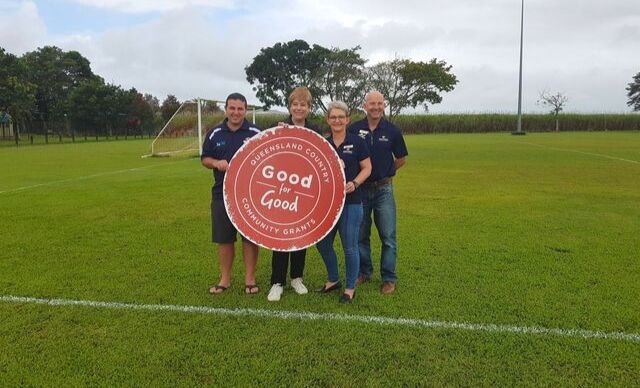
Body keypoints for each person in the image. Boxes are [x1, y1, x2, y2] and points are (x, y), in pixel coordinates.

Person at [201, 93, 262, 295]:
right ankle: (225, 279)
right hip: (222, 194)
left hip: (250, 195)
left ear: (245, 110)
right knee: (224, 239)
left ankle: (250, 279)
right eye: (232, 108)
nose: (236, 112)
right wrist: (216, 163)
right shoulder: (214, 133)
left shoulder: (256, 132)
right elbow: (205, 159)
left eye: (240, 109)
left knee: (250, 237)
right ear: (226, 109)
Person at [348, 90, 408, 295]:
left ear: (384, 105)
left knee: (388, 237)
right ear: (365, 106)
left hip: (384, 190)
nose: (375, 107)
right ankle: (364, 272)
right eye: (371, 103)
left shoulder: (392, 131)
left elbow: (401, 158)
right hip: (360, 191)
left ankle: (389, 278)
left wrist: (386, 171)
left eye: (379, 103)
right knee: (360, 235)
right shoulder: (354, 129)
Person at [267, 87, 322, 302]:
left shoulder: (315, 131)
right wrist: (277, 134)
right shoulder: (278, 127)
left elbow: (322, 159)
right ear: (290, 107)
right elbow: (268, 155)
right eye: (295, 104)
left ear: (309, 108)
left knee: (301, 236)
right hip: (282, 190)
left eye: (303, 105)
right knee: (281, 237)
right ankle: (277, 282)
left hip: (304, 191)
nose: (299, 108)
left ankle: (297, 278)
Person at [316, 101, 371, 303]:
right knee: (321, 242)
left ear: (347, 119)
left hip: (352, 202)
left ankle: (349, 287)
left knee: (350, 246)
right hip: (328, 203)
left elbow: (367, 168)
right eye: (333, 117)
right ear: (328, 120)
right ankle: (333, 279)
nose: (337, 120)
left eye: (341, 117)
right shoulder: (322, 143)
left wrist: (355, 183)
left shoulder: (357, 142)